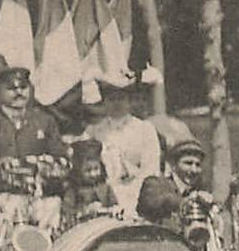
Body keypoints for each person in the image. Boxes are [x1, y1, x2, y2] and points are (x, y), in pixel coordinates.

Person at [0, 65, 68, 237]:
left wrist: (51, 165)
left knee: (53, 207)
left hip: (40, 194)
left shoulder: (44, 121)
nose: (19, 92)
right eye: (11, 88)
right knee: (11, 208)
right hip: (1, 194)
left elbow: (60, 155)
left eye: (23, 87)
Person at [87, 75, 161, 216]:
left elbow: (151, 170)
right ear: (104, 102)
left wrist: (134, 197)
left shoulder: (145, 130)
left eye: (121, 98)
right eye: (111, 99)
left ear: (129, 101)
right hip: (104, 197)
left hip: (137, 195)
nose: (116, 104)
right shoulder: (95, 132)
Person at [137, 137, 209, 224]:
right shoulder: (154, 184)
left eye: (198, 165)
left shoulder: (197, 191)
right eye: (188, 163)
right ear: (173, 165)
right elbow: (154, 202)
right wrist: (187, 202)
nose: (194, 169)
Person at [62, 139, 117, 226]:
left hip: (104, 225)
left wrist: (107, 210)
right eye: (88, 170)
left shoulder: (106, 188)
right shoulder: (74, 190)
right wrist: (85, 211)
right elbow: (67, 212)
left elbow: (114, 205)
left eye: (96, 169)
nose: (93, 174)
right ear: (78, 171)